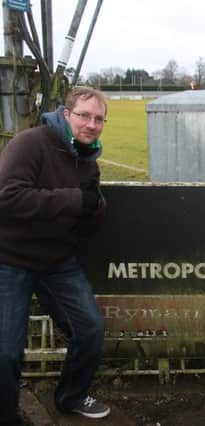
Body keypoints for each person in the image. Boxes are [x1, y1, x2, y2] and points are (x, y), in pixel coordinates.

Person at [0, 86, 111, 424]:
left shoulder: (88, 162)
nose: (91, 124)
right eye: (84, 115)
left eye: (99, 119)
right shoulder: (30, 143)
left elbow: (84, 213)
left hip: (56, 263)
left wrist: (95, 208)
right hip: (9, 261)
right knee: (5, 352)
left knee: (90, 330)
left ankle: (71, 396)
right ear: (66, 114)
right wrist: (76, 200)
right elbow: (8, 198)